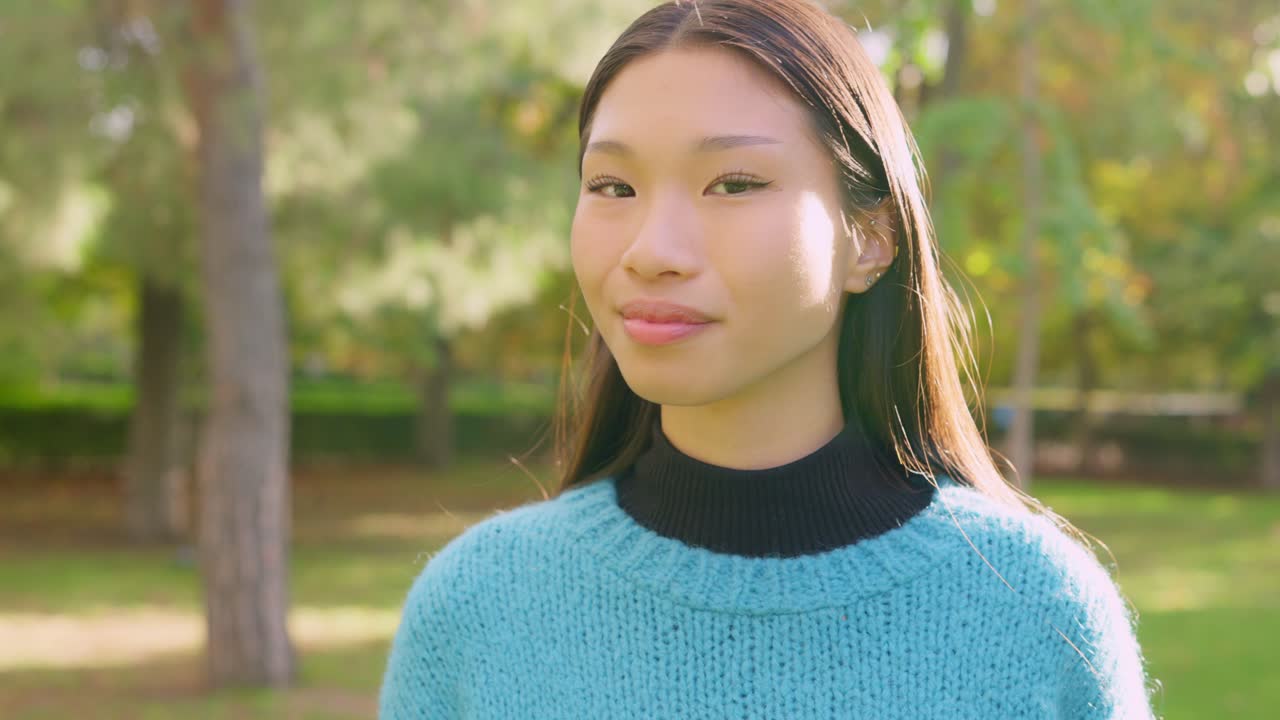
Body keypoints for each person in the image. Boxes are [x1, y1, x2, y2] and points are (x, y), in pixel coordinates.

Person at [378, 1, 1161, 717]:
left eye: (734, 183)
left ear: (872, 238)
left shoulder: (1038, 614)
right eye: (613, 186)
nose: (652, 251)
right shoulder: (475, 611)